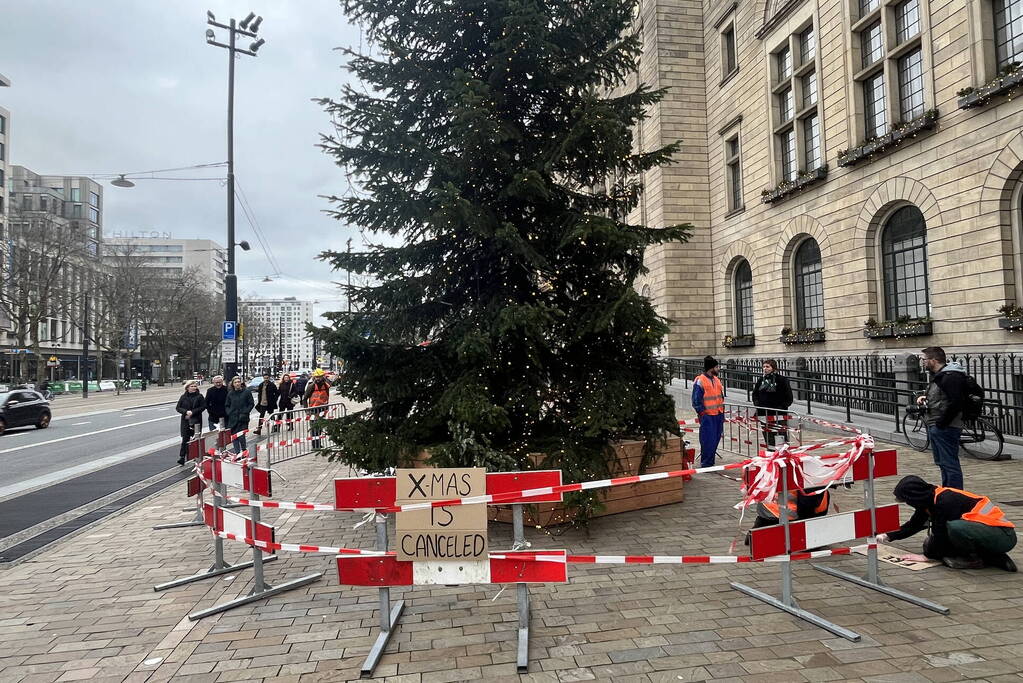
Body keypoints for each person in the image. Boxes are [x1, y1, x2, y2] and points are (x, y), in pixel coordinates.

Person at [879, 475, 1016, 571]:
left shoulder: (945, 501)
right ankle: (993, 556)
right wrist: (888, 535)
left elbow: (941, 532)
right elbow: (915, 524)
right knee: (933, 543)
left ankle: (974, 560)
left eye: (907, 501)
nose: (908, 504)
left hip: (1003, 535)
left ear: (914, 497)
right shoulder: (930, 500)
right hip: (991, 534)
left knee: (952, 529)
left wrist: (927, 556)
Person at [916, 347, 968, 488]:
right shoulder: (939, 375)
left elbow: (955, 402)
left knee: (949, 464)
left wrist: (941, 423)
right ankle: (948, 492)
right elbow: (941, 397)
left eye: (924, 359)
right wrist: (925, 398)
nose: (923, 362)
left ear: (933, 360)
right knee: (943, 463)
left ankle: (954, 495)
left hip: (946, 426)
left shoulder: (949, 377)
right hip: (938, 424)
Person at [752, 360, 794, 449]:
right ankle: (770, 452)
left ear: (773, 368)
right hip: (764, 413)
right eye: (764, 367)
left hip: (778, 414)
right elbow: (755, 393)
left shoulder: (782, 380)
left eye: (767, 367)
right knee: (768, 434)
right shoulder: (761, 380)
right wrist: (757, 404)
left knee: (780, 434)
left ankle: (781, 453)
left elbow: (788, 397)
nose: (765, 369)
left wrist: (781, 407)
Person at [692, 355, 725, 468]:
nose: (718, 369)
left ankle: (710, 462)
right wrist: (702, 413)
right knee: (708, 440)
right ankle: (706, 463)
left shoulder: (716, 380)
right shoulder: (700, 380)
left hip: (718, 414)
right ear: (711, 368)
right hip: (707, 415)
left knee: (715, 438)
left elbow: (720, 396)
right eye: (717, 367)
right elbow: (696, 399)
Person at [175, 380, 206, 466]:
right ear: (187, 388)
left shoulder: (199, 396)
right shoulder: (183, 397)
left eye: (195, 386)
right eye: (192, 386)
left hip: (196, 419)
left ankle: (197, 457)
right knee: (185, 438)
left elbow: (203, 407)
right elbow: (178, 408)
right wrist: (185, 412)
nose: (193, 388)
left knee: (196, 438)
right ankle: (182, 457)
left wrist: (193, 412)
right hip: (186, 420)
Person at [224, 376, 255, 454]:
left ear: (241, 383)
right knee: (234, 436)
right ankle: (237, 453)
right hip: (233, 418)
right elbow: (227, 405)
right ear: (233, 384)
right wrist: (229, 412)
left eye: (238, 382)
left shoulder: (246, 392)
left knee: (241, 436)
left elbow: (251, 404)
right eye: (235, 382)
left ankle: (244, 450)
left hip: (243, 418)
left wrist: (245, 412)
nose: (237, 383)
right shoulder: (230, 393)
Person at [304, 369, 332, 447]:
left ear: (323, 376)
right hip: (313, 409)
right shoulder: (311, 386)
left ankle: (318, 444)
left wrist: (326, 407)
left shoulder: (326, 385)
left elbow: (327, 396)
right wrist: (307, 410)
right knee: (314, 428)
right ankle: (315, 445)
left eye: (319, 377)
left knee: (320, 427)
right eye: (316, 377)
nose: (318, 378)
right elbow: (305, 398)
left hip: (322, 409)